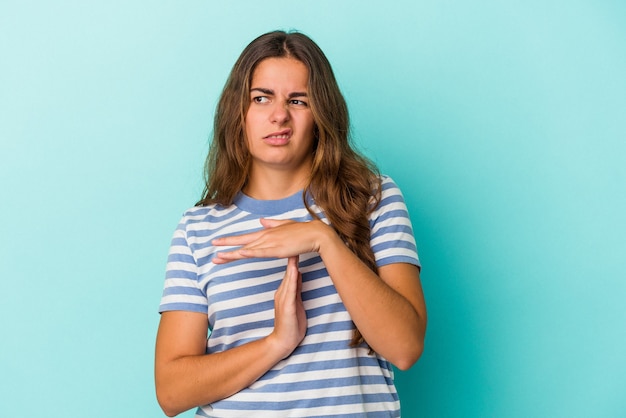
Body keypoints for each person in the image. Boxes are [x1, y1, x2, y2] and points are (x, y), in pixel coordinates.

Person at [155, 30, 427, 418]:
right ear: (239, 112)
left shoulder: (372, 200)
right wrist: (277, 343)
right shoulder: (197, 228)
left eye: (298, 100)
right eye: (261, 98)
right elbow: (171, 391)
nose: (278, 115)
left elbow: (405, 347)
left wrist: (324, 240)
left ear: (321, 115)